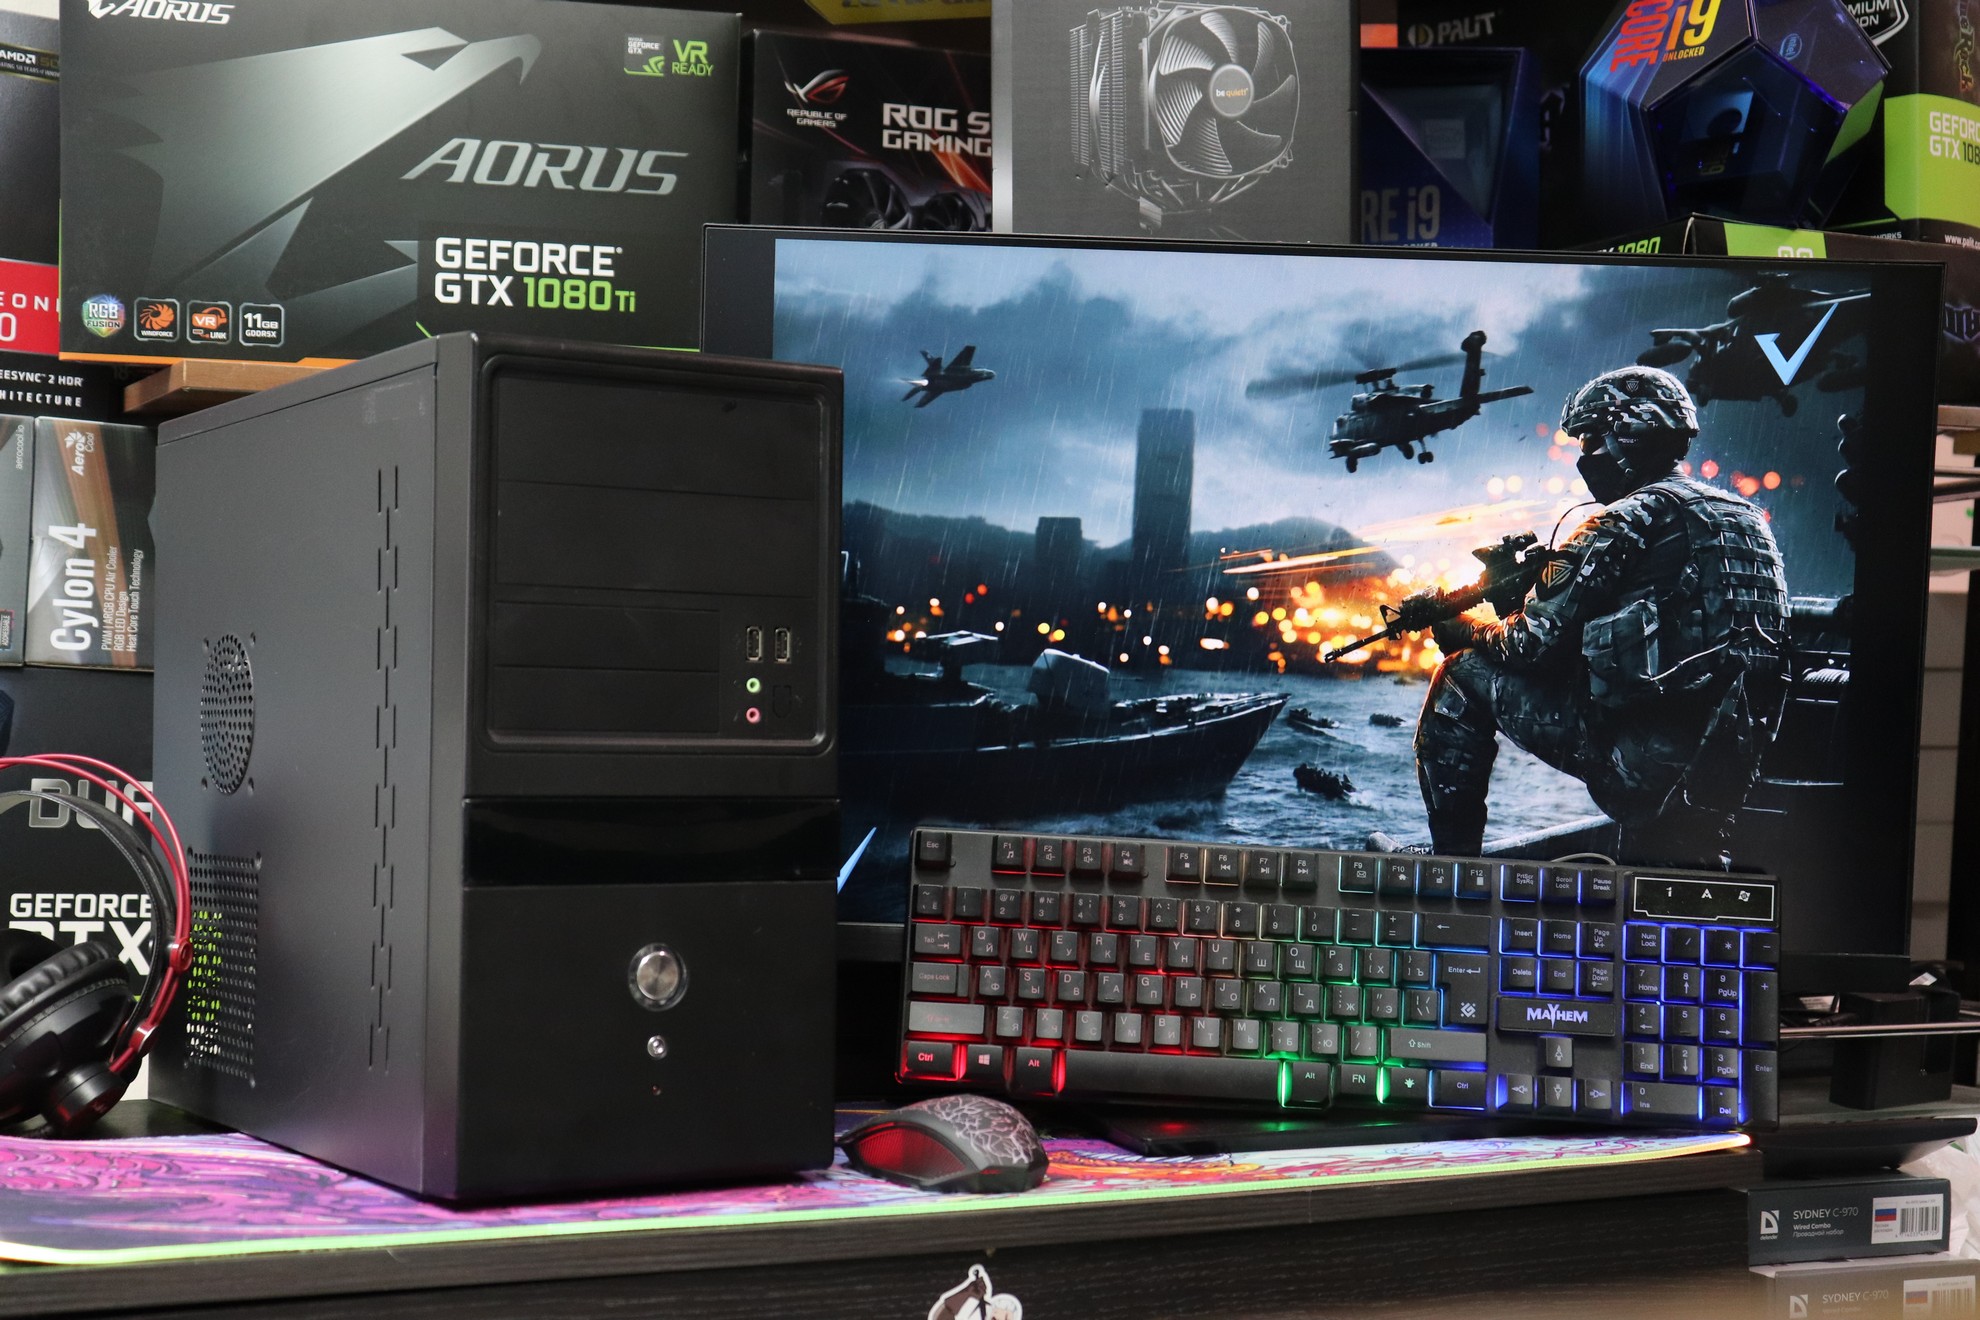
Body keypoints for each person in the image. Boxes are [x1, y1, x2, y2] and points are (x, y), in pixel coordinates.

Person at [1412, 365, 1792, 863]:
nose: (1584, 456)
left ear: (1626, 436)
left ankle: (1453, 866)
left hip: (1647, 769)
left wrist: (1462, 628)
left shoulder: (1628, 518)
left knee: (1460, 674)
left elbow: (1530, 646)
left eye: (1590, 440)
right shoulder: (1746, 519)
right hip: (1730, 770)